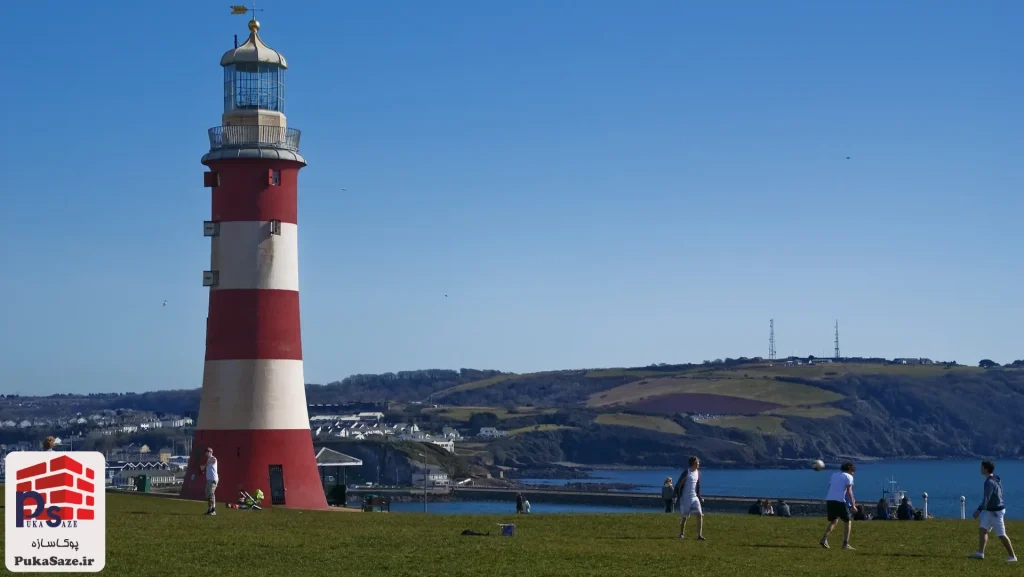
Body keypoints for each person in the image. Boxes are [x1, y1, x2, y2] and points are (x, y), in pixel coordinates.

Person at [971, 460, 1017, 562]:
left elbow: (986, 498)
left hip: (996, 512)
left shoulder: (989, 482)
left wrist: (978, 510)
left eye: (982, 467)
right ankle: (980, 553)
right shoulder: (996, 478)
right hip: (992, 510)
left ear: (986, 469)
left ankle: (1012, 556)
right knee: (982, 529)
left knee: (1001, 534)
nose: (980, 469)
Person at [820, 461, 857, 550]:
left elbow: (831, 487)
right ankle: (845, 544)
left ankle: (824, 538)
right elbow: (849, 491)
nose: (853, 473)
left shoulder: (834, 475)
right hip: (840, 501)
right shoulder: (849, 477)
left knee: (834, 521)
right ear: (849, 469)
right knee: (848, 521)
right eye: (852, 470)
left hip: (830, 499)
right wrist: (853, 505)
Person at [673, 456, 705, 540]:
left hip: (694, 497)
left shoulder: (698, 473)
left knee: (699, 514)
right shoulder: (686, 472)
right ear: (693, 463)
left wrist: (699, 497)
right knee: (684, 516)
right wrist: (675, 495)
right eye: (697, 462)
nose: (698, 464)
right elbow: (679, 484)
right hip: (685, 498)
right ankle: (681, 534)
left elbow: (697, 486)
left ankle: (699, 535)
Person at [199, 447, 219, 516]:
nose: (205, 453)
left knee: (211, 494)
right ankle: (210, 509)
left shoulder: (213, 458)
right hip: (209, 480)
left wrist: (204, 466)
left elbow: (212, 461)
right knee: (208, 495)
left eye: (206, 452)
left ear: (210, 452)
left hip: (213, 479)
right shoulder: (208, 460)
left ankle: (213, 510)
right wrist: (203, 469)